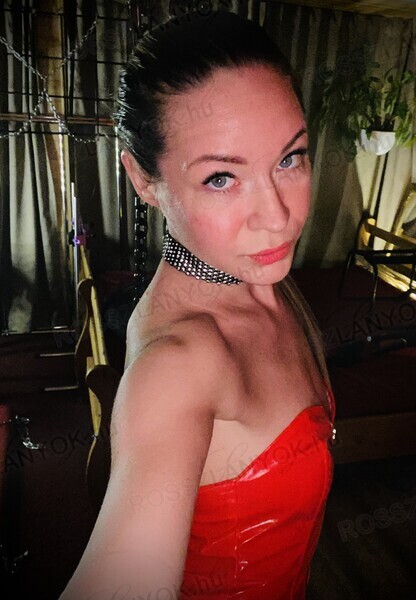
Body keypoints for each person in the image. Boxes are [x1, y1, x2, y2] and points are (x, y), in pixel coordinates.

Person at [59, 9, 336, 600]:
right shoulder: (179, 364)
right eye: (220, 178)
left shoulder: (262, 279)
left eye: (289, 159)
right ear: (144, 180)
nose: (278, 217)